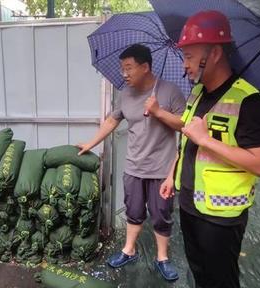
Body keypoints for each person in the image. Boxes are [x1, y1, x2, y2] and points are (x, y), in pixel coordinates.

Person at [151, 10, 260, 288]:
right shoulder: (197, 93)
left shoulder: (249, 102)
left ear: (215, 54)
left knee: (220, 279)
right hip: (190, 203)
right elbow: (186, 141)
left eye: (190, 57)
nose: (185, 65)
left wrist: (207, 140)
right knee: (199, 272)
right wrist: (172, 174)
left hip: (221, 217)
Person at [77, 44, 186, 281]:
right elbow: (112, 120)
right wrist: (91, 143)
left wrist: (158, 111)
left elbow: (184, 125)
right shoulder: (126, 94)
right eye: (122, 68)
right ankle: (129, 250)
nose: (124, 74)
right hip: (134, 166)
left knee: (161, 215)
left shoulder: (170, 91)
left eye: (129, 68)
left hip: (162, 168)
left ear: (145, 67)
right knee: (133, 211)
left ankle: (162, 258)